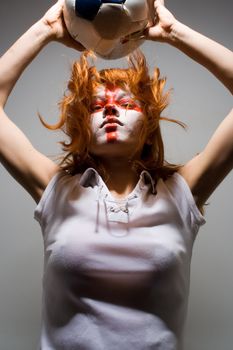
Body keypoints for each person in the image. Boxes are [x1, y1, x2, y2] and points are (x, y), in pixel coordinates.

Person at [0, 0, 232, 349]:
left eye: (126, 104)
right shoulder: (56, 190)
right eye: (96, 106)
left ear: (148, 123)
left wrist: (173, 33)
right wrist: (46, 30)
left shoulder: (182, 193)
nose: (110, 109)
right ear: (82, 125)